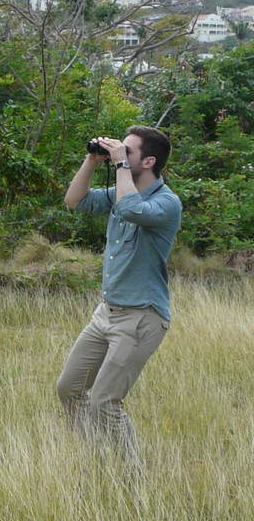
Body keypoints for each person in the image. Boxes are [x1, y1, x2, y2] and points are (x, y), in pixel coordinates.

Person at [56, 125, 182, 467]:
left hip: (142, 317)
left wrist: (120, 166)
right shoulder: (118, 191)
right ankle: (96, 458)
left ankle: (132, 483)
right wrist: (92, 159)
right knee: (68, 389)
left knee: (105, 401)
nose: (120, 155)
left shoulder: (167, 203)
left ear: (149, 161)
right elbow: (74, 201)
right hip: (106, 313)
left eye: (128, 151)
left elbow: (132, 210)